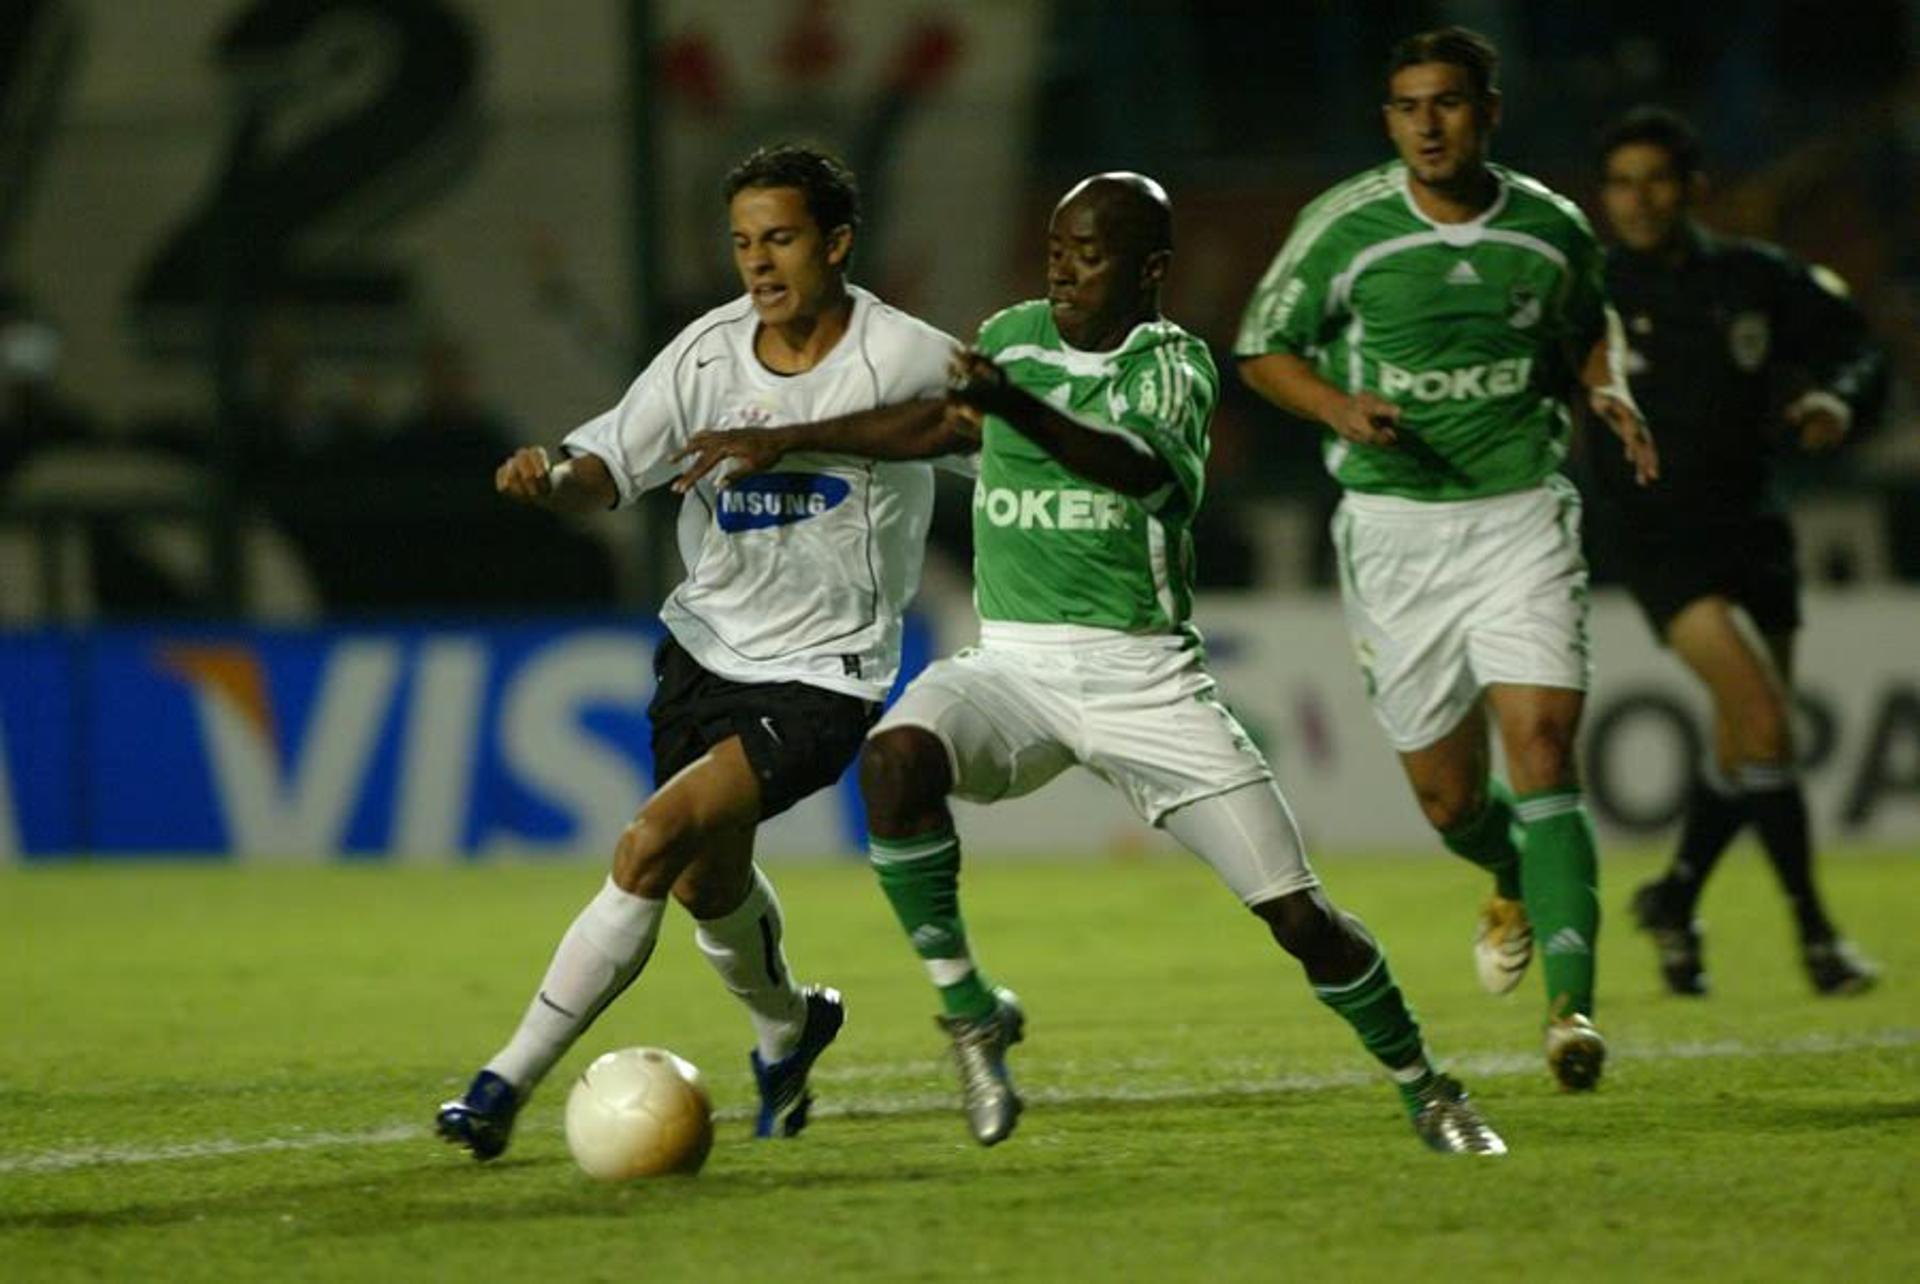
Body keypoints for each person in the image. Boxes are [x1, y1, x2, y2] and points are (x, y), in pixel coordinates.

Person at [678, 172, 1507, 1155]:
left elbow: (1143, 472)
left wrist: (1014, 406)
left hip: (1145, 677)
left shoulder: (1172, 363)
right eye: (1058, 246)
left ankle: (1428, 1086)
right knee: (895, 761)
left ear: (1150, 270)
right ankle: (971, 1013)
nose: (1065, 268)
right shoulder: (1016, 335)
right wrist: (791, 438)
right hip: (1015, 665)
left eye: (1091, 252)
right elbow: (943, 425)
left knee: (1300, 917)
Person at [435, 144, 961, 1159]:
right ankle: (791, 1027)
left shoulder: (903, 351)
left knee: (649, 840)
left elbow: (984, 421)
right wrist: (553, 479)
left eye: (783, 239)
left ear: (837, 242)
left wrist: (805, 440)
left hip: (827, 671)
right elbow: (608, 469)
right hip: (706, 650)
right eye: (744, 243)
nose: (759, 265)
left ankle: (500, 1085)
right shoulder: (708, 353)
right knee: (702, 884)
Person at [1232, 27, 1658, 1091]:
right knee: (1448, 800)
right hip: (1395, 529)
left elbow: (1585, 326)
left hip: (1520, 514)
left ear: (1488, 113)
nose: (1429, 124)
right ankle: (1509, 870)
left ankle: (1572, 1013)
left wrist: (1610, 390)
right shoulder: (1346, 228)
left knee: (1547, 748)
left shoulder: (1551, 230)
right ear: (1390, 120)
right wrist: (1337, 404)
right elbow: (1259, 347)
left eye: (1449, 104)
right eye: (1409, 106)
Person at [1590, 106, 1882, 997]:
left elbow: (1856, 347)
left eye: (1657, 180)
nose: (1639, 200)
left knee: (1744, 743)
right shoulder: (1589, 290)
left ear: (1692, 189)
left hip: (1754, 525)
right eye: (1622, 183)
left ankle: (1676, 897)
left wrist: (1836, 399)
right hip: (1659, 537)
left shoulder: (1754, 278)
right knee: (1765, 724)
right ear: (1603, 197)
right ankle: (1817, 935)